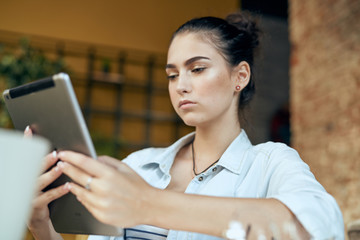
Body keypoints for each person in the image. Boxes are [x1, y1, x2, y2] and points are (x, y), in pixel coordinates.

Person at [26, 11, 344, 240]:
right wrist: (42, 226)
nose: (181, 85)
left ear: (240, 76)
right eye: (173, 74)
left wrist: (147, 203)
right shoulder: (137, 166)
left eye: (197, 69)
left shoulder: (270, 164)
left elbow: (317, 229)